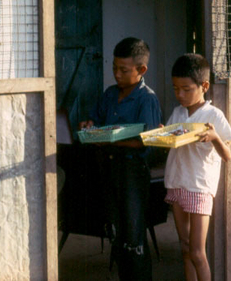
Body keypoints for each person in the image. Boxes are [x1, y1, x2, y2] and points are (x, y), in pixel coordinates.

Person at [79, 37, 162, 281]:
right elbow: (95, 119)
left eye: (123, 70)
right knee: (116, 230)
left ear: (142, 70)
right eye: (114, 68)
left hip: (133, 172)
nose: (116, 74)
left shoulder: (147, 99)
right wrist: (89, 125)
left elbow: (149, 140)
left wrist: (113, 140)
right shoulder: (109, 94)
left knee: (133, 235)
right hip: (109, 168)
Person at [164, 53, 231, 281]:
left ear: (204, 86)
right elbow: (171, 140)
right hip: (176, 182)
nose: (180, 95)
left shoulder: (214, 115)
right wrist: (162, 134)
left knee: (197, 252)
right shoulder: (178, 112)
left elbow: (228, 155)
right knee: (185, 248)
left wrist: (214, 137)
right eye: (176, 89)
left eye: (186, 89)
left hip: (199, 187)